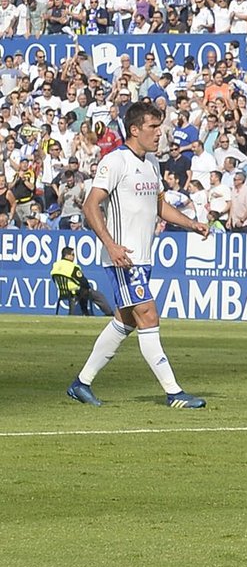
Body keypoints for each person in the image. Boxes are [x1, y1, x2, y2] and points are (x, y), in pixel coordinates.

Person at [66, 101, 209, 409]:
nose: (159, 133)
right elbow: (90, 207)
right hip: (124, 257)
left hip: (143, 257)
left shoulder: (152, 163)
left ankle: (81, 383)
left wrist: (191, 224)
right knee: (148, 315)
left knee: (127, 320)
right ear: (134, 129)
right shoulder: (115, 161)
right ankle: (173, 392)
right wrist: (111, 245)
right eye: (153, 127)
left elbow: (160, 207)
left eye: (160, 127)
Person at [50, 246, 113, 316]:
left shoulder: (56, 265)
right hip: (75, 291)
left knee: (84, 291)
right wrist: (88, 287)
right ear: (67, 256)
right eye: (72, 255)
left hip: (62, 291)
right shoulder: (73, 266)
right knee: (98, 295)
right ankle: (109, 313)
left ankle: (85, 312)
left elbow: (54, 278)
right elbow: (82, 280)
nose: (74, 257)